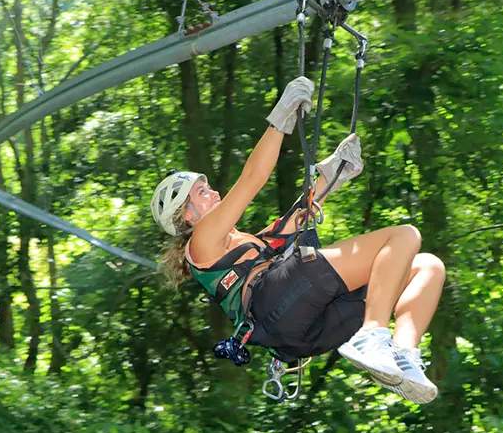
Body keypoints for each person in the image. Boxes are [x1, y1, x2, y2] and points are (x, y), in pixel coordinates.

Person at [151, 75, 445, 404]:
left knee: (427, 267)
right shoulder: (200, 242)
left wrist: (334, 176)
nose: (214, 192)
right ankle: (371, 335)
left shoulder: (242, 245)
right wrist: (280, 120)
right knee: (404, 236)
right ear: (187, 216)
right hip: (278, 301)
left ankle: (402, 354)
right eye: (202, 193)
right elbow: (252, 180)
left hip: (303, 332)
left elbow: (292, 221)